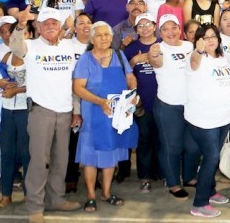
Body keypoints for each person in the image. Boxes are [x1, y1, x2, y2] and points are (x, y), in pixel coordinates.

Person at [10, 7, 82, 223]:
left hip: (65, 110)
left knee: (61, 159)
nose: (50, 26)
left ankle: (56, 199)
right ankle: (35, 207)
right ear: (38, 27)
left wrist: (76, 110)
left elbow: (73, 81)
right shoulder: (30, 46)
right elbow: (15, 47)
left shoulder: (69, 46)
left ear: (60, 26)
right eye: (46, 23)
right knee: (39, 161)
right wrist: (20, 25)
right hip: (41, 110)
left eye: (54, 23)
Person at [72, 22, 138, 213]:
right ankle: (91, 195)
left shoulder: (119, 55)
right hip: (93, 114)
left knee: (111, 153)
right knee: (90, 156)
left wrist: (133, 93)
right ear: (92, 39)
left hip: (116, 115)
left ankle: (107, 193)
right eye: (99, 35)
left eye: (107, 35)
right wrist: (100, 102)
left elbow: (130, 77)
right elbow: (77, 88)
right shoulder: (85, 59)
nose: (104, 38)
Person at [185, 23, 230, 218]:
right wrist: (198, 50)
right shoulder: (196, 58)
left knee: (211, 157)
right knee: (212, 157)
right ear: (198, 40)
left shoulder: (223, 58)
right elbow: (194, 61)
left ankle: (210, 190)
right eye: (205, 37)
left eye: (213, 36)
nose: (210, 40)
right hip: (203, 120)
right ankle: (199, 203)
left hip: (223, 118)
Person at [147, 14, 199, 201]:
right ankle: (173, 183)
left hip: (192, 105)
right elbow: (155, 61)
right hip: (168, 107)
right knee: (172, 147)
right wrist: (153, 55)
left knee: (193, 146)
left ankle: (189, 177)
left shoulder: (189, 46)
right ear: (160, 32)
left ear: (180, 29)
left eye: (174, 27)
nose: (170, 32)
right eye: (165, 29)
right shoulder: (158, 48)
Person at [0, 19, 32, 214]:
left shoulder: (33, 55)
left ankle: (30, 196)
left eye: (20, 35)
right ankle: (6, 196)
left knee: (27, 154)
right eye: (12, 36)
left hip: (26, 110)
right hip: (6, 109)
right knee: (6, 153)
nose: (15, 39)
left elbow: (40, 84)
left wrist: (17, 90)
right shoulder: (6, 56)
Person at [123, 13, 159, 193]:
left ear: (155, 26)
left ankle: (161, 173)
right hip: (140, 102)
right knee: (144, 139)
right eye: (140, 26)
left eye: (148, 24)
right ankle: (144, 177)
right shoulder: (131, 48)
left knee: (161, 139)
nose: (145, 28)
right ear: (136, 30)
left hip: (163, 101)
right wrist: (135, 60)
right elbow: (124, 75)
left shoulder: (163, 44)